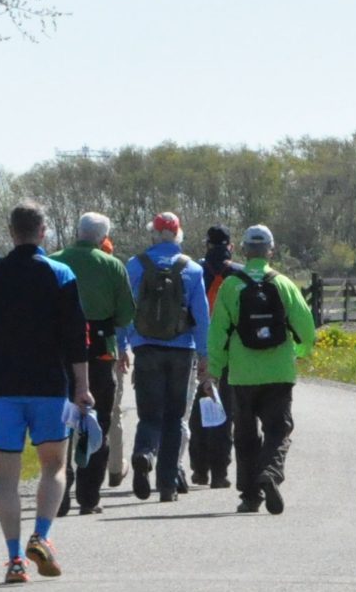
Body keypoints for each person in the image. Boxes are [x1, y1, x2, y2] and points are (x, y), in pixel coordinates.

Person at [0, 200, 93, 583]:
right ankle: (43, 536)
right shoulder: (61, 273)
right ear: (43, 231)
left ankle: (15, 559)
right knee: (54, 466)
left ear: (10, 231)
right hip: (50, 386)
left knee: (6, 477)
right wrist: (82, 387)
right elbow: (75, 337)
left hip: (3, 387)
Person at [207, 224, 317, 514]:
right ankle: (270, 472)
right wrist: (300, 350)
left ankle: (250, 495)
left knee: (244, 434)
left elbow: (217, 332)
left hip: (242, 373)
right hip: (279, 371)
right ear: (271, 250)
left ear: (243, 250)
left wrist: (213, 371)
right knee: (278, 430)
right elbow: (306, 327)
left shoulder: (231, 285)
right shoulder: (283, 284)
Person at [122, 211, 214, 504]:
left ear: (154, 232)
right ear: (178, 234)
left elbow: (127, 310)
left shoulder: (135, 266)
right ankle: (166, 486)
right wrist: (205, 355)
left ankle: (143, 453)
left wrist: (122, 345)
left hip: (146, 348)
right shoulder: (192, 270)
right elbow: (201, 316)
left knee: (149, 414)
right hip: (181, 349)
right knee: (174, 417)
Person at [54, 211, 133, 515]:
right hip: (99, 352)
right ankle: (89, 497)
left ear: (77, 231)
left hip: (59, 353)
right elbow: (126, 314)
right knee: (97, 420)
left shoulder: (55, 261)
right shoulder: (112, 265)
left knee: (62, 420)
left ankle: (59, 492)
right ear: (103, 238)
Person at [187, 225, 238, 489]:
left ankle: (200, 469)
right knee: (224, 410)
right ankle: (221, 472)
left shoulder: (195, 270)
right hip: (231, 351)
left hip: (199, 349)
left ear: (207, 245)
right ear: (230, 245)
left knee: (199, 409)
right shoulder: (238, 273)